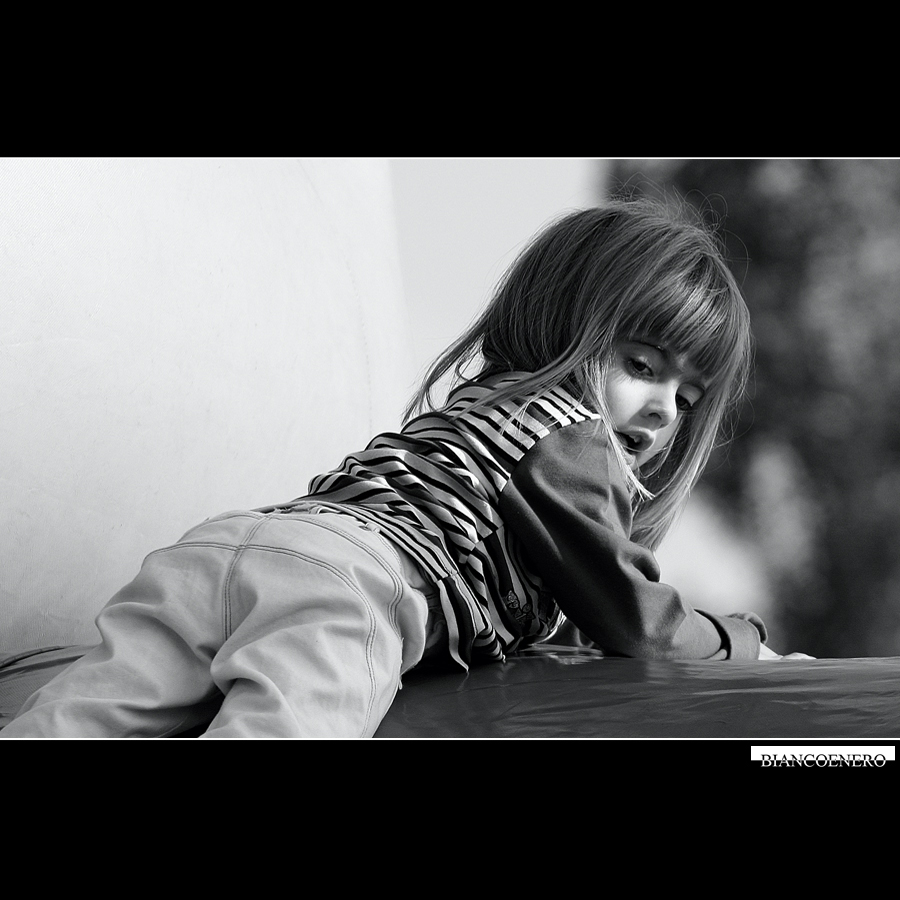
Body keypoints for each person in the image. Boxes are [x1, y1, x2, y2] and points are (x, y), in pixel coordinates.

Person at [0, 196, 809, 740]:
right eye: (641, 365)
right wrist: (746, 648)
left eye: (687, 397)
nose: (664, 409)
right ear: (568, 325)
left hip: (229, 548)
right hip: (351, 587)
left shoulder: (482, 412)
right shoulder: (569, 440)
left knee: (79, 718)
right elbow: (637, 621)